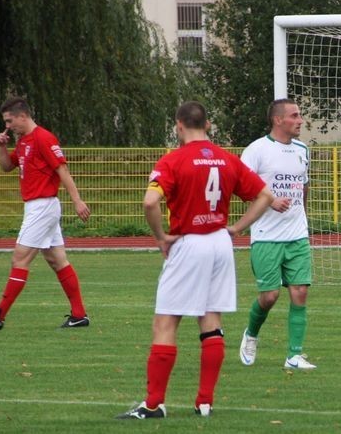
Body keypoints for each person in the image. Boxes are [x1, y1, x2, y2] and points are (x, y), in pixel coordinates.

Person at [117, 101, 273, 420]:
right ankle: (204, 402)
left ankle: (153, 404)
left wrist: (161, 237)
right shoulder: (228, 159)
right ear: (208, 124)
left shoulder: (174, 160)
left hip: (189, 242)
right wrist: (238, 228)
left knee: (166, 322)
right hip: (219, 242)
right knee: (210, 319)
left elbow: (150, 202)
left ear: (178, 125)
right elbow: (266, 196)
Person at [0, 96, 91, 330]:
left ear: (22, 116)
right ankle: (79, 315)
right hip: (37, 206)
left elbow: (62, 169)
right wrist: (1, 146)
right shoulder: (24, 141)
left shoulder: (43, 138)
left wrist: (77, 200)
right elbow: (7, 167)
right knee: (57, 260)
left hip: (42, 205)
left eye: (9, 120)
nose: (7, 125)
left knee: (20, 258)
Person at [238, 98, 317, 370]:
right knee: (270, 296)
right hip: (266, 235)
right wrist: (269, 201)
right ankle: (251, 333)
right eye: (294, 115)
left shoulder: (302, 149)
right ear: (278, 120)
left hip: (297, 235)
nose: (300, 120)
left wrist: (302, 217)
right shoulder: (256, 150)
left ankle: (294, 355)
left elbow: (303, 186)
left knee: (300, 291)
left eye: (300, 115)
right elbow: (241, 186)